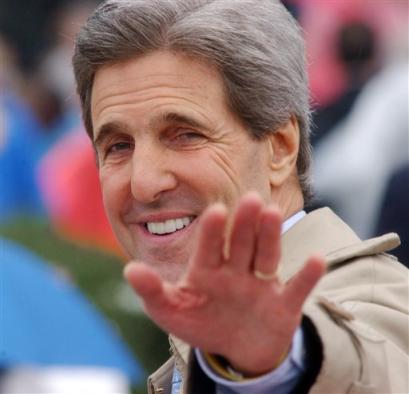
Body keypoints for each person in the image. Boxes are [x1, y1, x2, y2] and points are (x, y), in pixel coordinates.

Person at [72, 1, 409, 393]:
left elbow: (364, 369)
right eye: (117, 146)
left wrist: (275, 363)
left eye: (185, 135)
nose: (143, 182)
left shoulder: (370, 305)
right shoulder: (198, 345)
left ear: (280, 148)